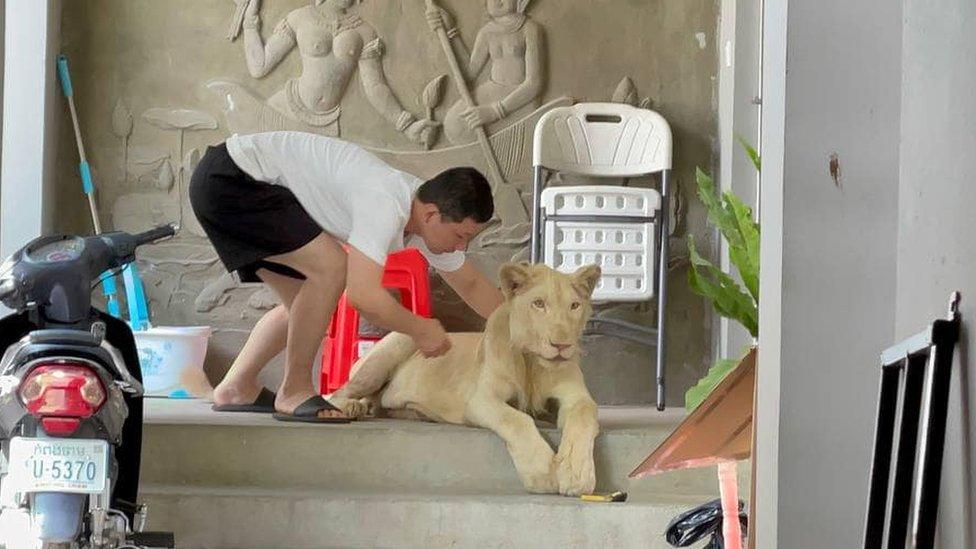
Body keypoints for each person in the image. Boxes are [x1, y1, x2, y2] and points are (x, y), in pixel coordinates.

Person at [189, 131, 503, 422]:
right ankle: (295, 390)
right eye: (460, 236)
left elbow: (472, 284)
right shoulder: (386, 201)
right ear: (432, 215)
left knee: (305, 303)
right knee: (331, 267)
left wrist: (519, 328)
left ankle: (236, 387)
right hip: (234, 179)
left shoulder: (424, 218)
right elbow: (362, 296)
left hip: (235, 180)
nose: (461, 247)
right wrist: (419, 329)